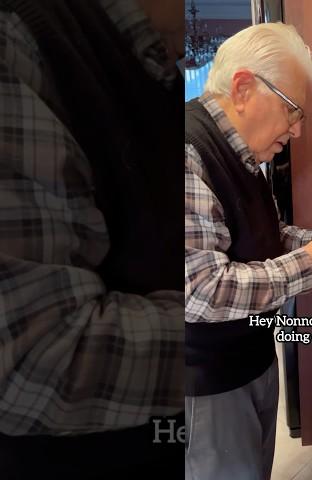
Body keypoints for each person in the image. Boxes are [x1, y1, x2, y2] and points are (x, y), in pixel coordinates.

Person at [0, 1, 184, 478]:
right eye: (292, 110)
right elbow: (34, 354)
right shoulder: (20, 40)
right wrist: (227, 323)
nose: (298, 129)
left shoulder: (172, 69)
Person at [184, 22, 312, 480]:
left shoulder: (245, 154)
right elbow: (200, 290)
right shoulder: (187, 152)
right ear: (244, 87)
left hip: (250, 360)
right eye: (292, 110)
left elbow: (264, 236)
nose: (298, 130)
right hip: (206, 384)